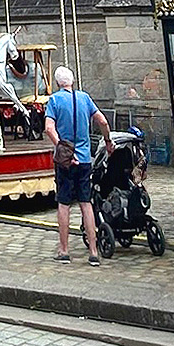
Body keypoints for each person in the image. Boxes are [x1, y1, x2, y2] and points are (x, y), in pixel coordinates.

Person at [44, 65, 111, 263]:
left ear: (57, 83)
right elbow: (103, 122)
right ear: (72, 82)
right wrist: (107, 141)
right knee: (86, 203)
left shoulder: (55, 100)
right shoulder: (84, 98)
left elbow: (49, 128)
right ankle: (93, 252)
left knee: (64, 204)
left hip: (66, 161)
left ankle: (64, 250)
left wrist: (61, 146)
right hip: (84, 159)